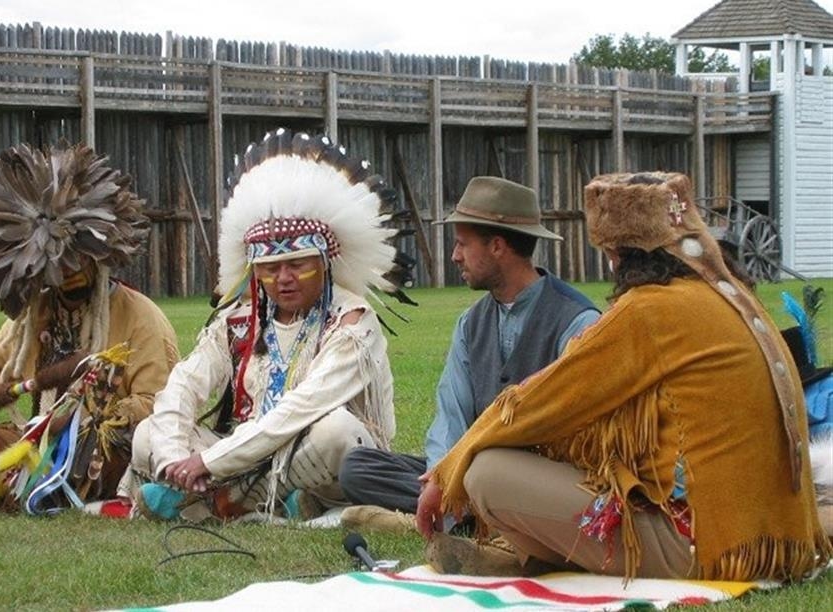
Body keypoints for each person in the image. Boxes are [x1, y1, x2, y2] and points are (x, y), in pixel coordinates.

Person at [416, 172, 833, 581]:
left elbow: (536, 404)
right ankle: (532, 557)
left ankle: (537, 558)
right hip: (775, 536)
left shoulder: (649, 310)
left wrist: (447, 472)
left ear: (617, 252)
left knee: (486, 473)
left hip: (710, 546)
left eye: (610, 255)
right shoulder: (729, 295)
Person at [120, 128, 414, 521]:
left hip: (316, 450)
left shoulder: (352, 321)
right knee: (147, 433)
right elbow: (185, 384)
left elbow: (304, 407)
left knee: (336, 432)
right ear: (254, 271)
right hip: (245, 452)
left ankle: (214, 502)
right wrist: (175, 455)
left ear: (324, 263)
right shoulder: (240, 320)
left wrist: (210, 462)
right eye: (270, 269)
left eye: (297, 264)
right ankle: (261, 502)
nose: (284, 278)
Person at [0, 142, 179, 510]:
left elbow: (158, 403)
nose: (68, 276)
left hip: (103, 451)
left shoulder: (140, 317)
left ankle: (4, 485)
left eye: (76, 262)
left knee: (107, 451)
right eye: (57, 266)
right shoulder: (37, 316)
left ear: (98, 258)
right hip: (36, 446)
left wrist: (77, 422)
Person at [339, 176, 600, 520]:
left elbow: (576, 436)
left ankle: (465, 511)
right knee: (357, 467)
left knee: (491, 476)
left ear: (496, 246)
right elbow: (452, 414)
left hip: (540, 476)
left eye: (462, 244)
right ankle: (463, 509)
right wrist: (442, 476)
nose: (454, 256)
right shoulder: (470, 323)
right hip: (471, 469)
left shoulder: (578, 322)